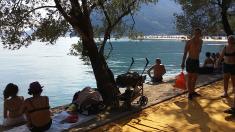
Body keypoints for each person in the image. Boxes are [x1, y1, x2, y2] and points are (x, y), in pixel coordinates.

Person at [181, 28, 203, 100]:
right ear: (194, 33)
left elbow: (199, 51)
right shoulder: (189, 42)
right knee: (190, 77)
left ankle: (193, 91)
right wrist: (183, 62)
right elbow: (185, 53)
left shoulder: (201, 41)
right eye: (196, 33)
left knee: (195, 77)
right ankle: (190, 93)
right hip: (190, 61)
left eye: (198, 33)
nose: (197, 34)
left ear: (200, 34)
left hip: (196, 61)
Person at [217, 35, 235, 114]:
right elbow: (221, 56)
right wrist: (217, 63)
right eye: (228, 39)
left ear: (233, 40)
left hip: (233, 66)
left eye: (231, 39)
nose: (229, 40)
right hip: (226, 65)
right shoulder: (225, 47)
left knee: (234, 82)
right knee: (225, 80)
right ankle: (225, 92)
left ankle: (233, 91)